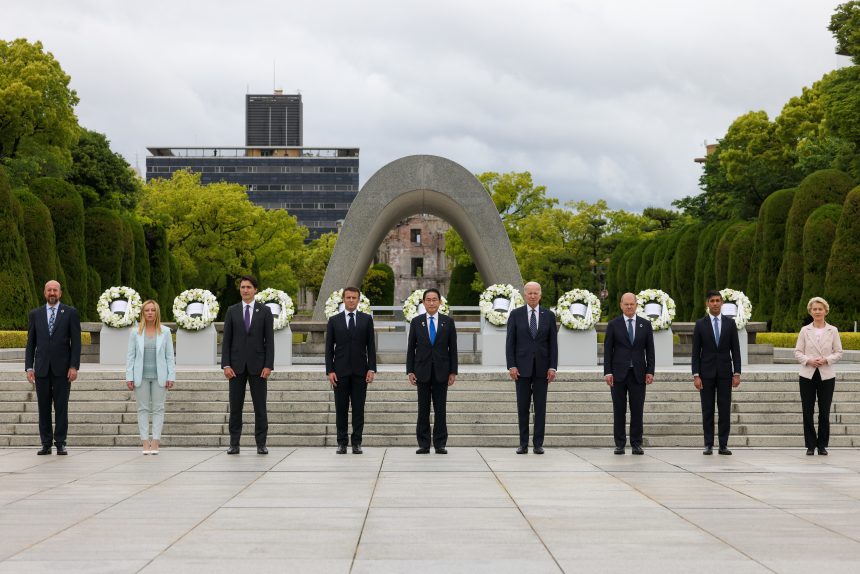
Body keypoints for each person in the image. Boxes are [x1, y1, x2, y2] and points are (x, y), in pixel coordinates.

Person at [25, 280, 81, 455]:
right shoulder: (35, 314)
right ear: (44, 293)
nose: (52, 293)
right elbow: (31, 343)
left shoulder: (70, 313)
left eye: (55, 290)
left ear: (60, 293)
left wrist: (73, 366)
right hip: (41, 369)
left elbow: (76, 343)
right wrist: (29, 367)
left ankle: (60, 442)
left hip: (62, 370)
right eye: (49, 290)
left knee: (61, 407)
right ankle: (46, 443)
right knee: (43, 407)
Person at [221, 275, 274, 455]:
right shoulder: (232, 311)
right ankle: (234, 444)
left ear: (255, 290)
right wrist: (226, 364)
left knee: (260, 407)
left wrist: (268, 365)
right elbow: (226, 340)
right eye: (243, 287)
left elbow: (270, 341)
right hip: (235, 367)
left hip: (258, 367)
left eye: (249, 287)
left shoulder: (264, 311)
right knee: (235, 406)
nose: (245, 290)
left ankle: (261, 444)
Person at [506, 281, 558, 454]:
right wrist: (511, 365)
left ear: (540, 295)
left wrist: (553, 367)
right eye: (530, 293)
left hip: (543, 369)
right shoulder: (515, 315)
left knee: (540, 407)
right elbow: (510, 343)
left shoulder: (549, 315)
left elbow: (553, 344)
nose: (533, 296)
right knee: (523, 407)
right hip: (521, 369)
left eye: (536, 293)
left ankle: (538, 444)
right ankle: (523, 443)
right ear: (525, 295)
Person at [325, 286, 376, 454]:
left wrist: (372, 368)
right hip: (340, 372)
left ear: (358, 300)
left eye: (354, 298)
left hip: (361, 372)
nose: (351, 300)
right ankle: (341, 442)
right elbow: (328, 349)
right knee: (341, 409)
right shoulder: (334, 320)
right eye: (348, 297)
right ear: (343, 299)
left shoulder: (366, 319)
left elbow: (371, 346)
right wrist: (330, 370)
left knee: (358, 409)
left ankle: (357, 442)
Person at [407, 288, 457, 454]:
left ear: (440, 302)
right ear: (423, 302)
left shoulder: (447, 322)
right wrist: (410, 371)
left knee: (440, 409)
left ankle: (440, 443)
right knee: (423, 409)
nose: (431, 302)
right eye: (428, 300)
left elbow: (453, 349)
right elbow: (411, 349)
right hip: (421, 371)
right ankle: (423, 443)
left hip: (442, 372)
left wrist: (453, 371)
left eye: (434, 299)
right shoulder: (416, 322)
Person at [604, 292, 655, 455]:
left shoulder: (645, 325)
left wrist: (650, 371)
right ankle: (619, 443)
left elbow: (650, 350)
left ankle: (636, 443)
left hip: (638, 374)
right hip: (618, 374)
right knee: (619, 410)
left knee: (637, 410)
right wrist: (608, 372)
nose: (629, 307)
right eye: (626, 304)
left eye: (631, 304)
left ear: (636, 305)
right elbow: (607, 351)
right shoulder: (613, 325)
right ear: (621, 305)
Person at [692, 290, 741, 455]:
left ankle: (723, 444)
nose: (715, 303)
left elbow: (736, 350)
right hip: (706, 373)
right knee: (707, 410)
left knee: (724, 409)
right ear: (707, 303)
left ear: (722, 303)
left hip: (725, 373)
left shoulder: (730, 323)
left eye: (718, 300)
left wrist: (737, 373)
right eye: (712, 300)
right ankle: (708, 444)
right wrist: (696, 375)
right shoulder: (700, 324)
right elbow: (695, 352)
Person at [125, 300, 176, 455]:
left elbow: (169, 357)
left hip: (160, 376)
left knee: (158, 408)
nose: (150, 313)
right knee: (143, 409)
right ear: (142, 313)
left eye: (153, 310)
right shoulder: (135, 332)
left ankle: (155, 443)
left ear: (157, 312)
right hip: (140, 376)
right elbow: (130, 356)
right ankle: (145, 444)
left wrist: (171, 375)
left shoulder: (165, 332)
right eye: (147, 310)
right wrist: (129, 376)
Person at [794, 297, 843, 455]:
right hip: (807, 375)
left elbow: (839, 352)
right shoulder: (804, 330)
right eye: (814, 309)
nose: (817, 312)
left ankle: (822, 445)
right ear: (810, 311)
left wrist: (826, 360)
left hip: (826, 375)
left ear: (825, 311)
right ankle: (810, 445)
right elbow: (797, 352)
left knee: (824, 411)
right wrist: (808, 360)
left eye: (820, 309)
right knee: (807, 411)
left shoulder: (833, 330)